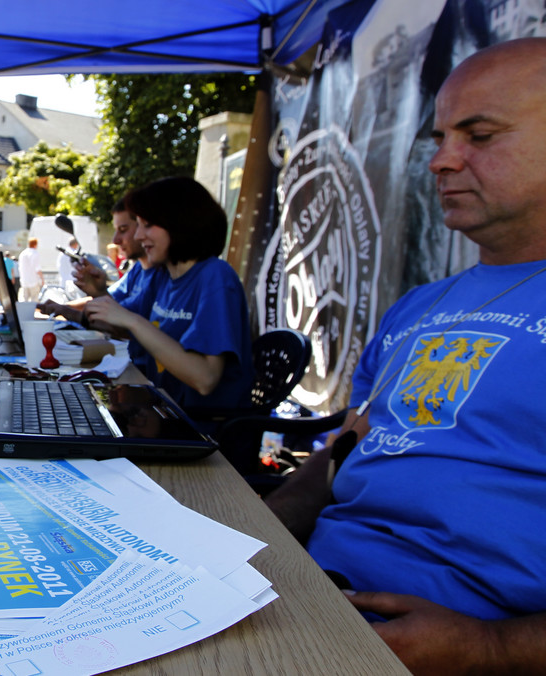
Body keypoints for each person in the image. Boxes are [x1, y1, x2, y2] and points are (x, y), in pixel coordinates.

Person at [264, 38, 546, 675]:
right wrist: (253, 535)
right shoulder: (418, 307)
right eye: (441, 135)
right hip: (303, 603)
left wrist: (494, 650)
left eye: (479, 135)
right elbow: (344, 453)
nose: (442, 161)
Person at [83, 177, 253, 412]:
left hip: (204, 431)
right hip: (161, 411)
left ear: (180, 222)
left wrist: (132, 320)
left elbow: (205, 379)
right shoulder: (163, 275)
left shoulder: (215, 277)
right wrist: (99, 293)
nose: (139, 236)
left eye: (148, 224)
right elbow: (128, 329)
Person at [38, 197, 155, 372]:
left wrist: (66, 309)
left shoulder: (161, 275)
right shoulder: (139, 270)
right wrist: (97, 293)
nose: (115, 239)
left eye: (123, 229)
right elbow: (113, 312)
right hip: (134, 370)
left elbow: (123, 328)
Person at [17, 237, 44, 302]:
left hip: (24, 280)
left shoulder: (22, 253)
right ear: (35, 244)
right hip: (33, 280)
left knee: (25, 299)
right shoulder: (35, 253)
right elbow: (37, 268)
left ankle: (24, 311)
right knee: (34, 299)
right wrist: (42, 279)